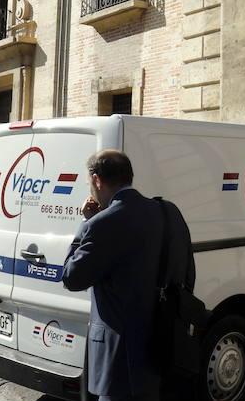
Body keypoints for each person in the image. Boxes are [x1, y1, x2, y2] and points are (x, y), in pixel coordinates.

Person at [62, 149, 194, 401]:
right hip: (161, 347)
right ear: (129, 176)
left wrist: (85, 224)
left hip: (118, 362)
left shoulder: (102, 223)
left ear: (97, 179)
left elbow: (71, 277)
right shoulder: (168, 212)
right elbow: (188, 271)